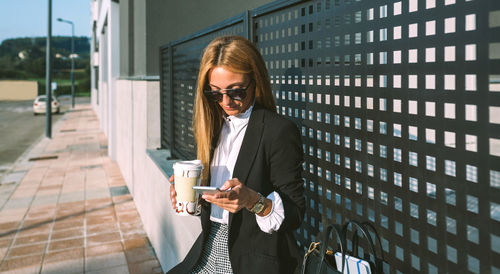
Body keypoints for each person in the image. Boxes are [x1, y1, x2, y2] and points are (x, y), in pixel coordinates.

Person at [168, 35, 304, 274]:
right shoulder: (212, 125)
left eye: (236, 91)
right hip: (209, 244)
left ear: (256, 81)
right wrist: (196, 197)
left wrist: (253, 200)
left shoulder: (278, 130)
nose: (225, 101)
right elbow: (217, 205)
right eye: (215, 93)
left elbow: (295, 213)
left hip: (254, 258)